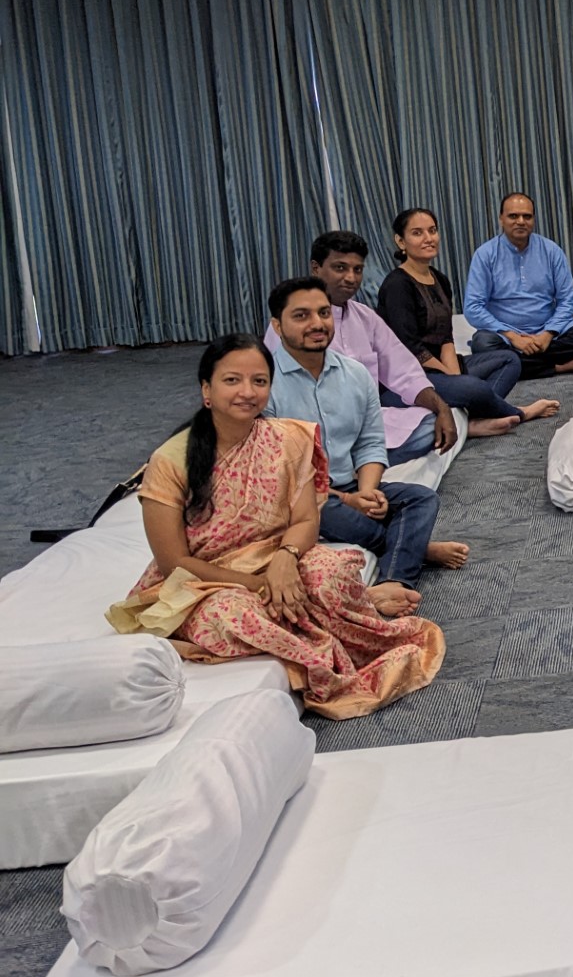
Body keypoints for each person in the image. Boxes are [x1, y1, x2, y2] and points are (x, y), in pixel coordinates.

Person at [108, 333, 444, 720]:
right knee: (237, 616)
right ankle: (330, 648)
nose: (247, 392)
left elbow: (306, 519)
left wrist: (286, 559)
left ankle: (353, 603)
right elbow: (174, 564)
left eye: (259, 381)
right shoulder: (170, 461)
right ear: (206, 390)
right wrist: (261, 585)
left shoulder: (288, 439)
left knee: (330, 572)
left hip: (276, 554)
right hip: (204, 581)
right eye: (231, 380)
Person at [264, 277, 469, 616]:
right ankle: (413, 551)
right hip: (300, 496)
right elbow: (279, 473)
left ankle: (393, 581)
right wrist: (347, 501)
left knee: (421, 498)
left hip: (349, 484)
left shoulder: (355, 374)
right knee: (325, 510)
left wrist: (367, 492)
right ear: (277, 325)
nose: (317, 323)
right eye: (301, 316)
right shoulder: (265, 383)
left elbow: (371, 440)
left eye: (323, 313)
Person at [269, 230, 490, 466]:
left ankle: (358, 463)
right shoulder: (290, 327)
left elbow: (404, 370)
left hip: (367, 426)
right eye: (340, 268)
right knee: (470, 388)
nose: (351, 278)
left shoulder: (366, 317)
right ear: (316, 268)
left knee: (430, 423)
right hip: (313, 432)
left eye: (357, 269)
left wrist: (442, 408)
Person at [377, 208, 559, 427]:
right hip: (410, 377)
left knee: (509, 360)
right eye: (417, 233)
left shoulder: (440, 279)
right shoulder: (397, 285)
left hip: (442, 369)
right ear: (401, 241)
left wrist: (454, 376)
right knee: (473, 387)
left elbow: (446, 337)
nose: (428, 238)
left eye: (432, 231)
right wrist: (454, 379)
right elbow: (411, 348)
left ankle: (472, 419)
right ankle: (519, 413)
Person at [463, 193, 573, 378]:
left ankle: (516, 363)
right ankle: (556, 367)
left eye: (527, 216)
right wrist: (513, 337)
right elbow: (473, 307)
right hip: (505, 335)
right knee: (483, 344)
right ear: (501, 219)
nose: (520, 221)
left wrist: (547, 334)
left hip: (546, 332)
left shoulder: (551, 251)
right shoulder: (485, 254)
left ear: (534, 219)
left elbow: (568, 301)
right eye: (513, 216)